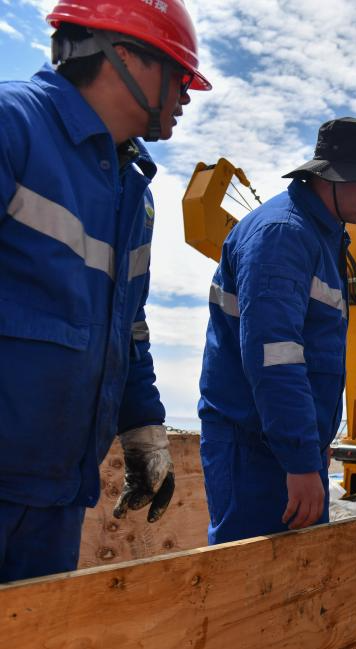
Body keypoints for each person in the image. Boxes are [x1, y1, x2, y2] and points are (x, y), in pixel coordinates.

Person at [0, 0, 209, 583]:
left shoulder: (132, 189)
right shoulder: (12, 125)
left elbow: (128, 325)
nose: (187, 95)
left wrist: (142, 426)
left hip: (57, 491)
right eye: (180, 74)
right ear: (125, 57)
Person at [198, 118, 356, 544]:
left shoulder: (322, 235)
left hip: (284, 445)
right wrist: (299, 461)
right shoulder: (283, 235)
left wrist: (311, 446)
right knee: (248, 583)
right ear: (330, 176)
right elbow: (275, 358)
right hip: (256, 451)